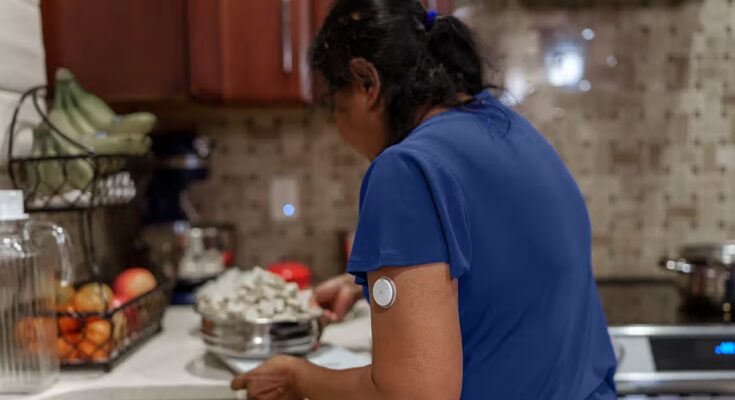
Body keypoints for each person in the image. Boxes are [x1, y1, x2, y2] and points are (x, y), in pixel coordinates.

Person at [231, 0, 617, 399]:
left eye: (335, 104)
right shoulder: (508, 127)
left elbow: (414, 393)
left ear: (367, 82)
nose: (338, 124)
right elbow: (506, 269)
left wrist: (297, 377)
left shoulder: (406, 168)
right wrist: (370, 283)